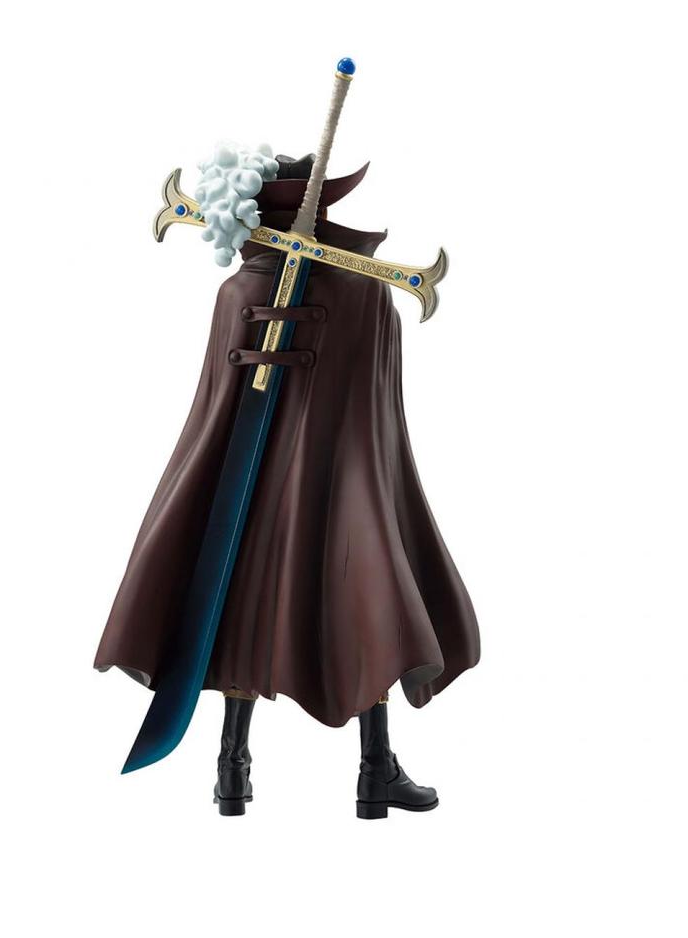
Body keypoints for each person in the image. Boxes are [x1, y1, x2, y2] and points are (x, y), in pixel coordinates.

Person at [94, 154, 480, 818]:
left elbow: (220, 410)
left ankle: (233, 769)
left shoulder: (237, 290)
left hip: (253, 490)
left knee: (247, 596)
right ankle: (373, 770)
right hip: (341, 490)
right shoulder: (360, 291)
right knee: (367, 598)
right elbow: (370, 411)